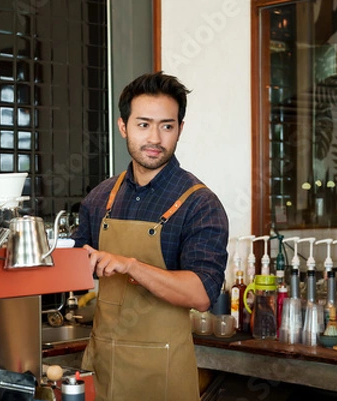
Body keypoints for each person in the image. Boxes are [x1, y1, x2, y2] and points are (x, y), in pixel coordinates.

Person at [72, 71, 229, 401]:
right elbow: (73, 273)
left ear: (180, 130)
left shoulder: (200, 204)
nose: (155, 137)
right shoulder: (100, 197)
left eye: (167, 126)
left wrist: (130, 266)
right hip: (106, 370)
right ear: (123, 126)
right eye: (144, 124)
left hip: (164, 376)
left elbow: (202, 294)